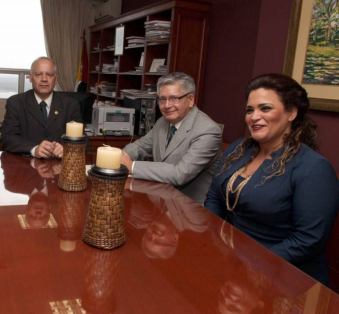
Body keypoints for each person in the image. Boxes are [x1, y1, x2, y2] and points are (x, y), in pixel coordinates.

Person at [205, 73, 339, 285]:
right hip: (230, 261)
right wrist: (211, 240)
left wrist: (247, 263)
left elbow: (306, 241)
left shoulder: (313, 168)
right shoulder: (237, 149)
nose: (254, 116)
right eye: (250, 110)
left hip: (282, 278)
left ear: (291, 113)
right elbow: (214, 196)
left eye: (265, 108)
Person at [121, 72, 222, 205]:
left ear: (190, 100)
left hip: (192, 210)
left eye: (174, 98)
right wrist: (121, 156)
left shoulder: (208, 131)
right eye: (162, 99)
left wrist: (131, 166)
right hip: (161, 199)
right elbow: (140, 146)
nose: (167, 105)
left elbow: (180, 174)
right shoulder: (163, 122)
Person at [1, 57, 83, 158]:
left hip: (59, 168)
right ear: (30, 78)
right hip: (25, 167)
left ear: (56, 79)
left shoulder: (70, 104)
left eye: (49, 74)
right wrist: (34, 149)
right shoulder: (15, 102)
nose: (44, 79)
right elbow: (8, 138)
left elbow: (83, 140)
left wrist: (67, 148)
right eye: (38, 74)